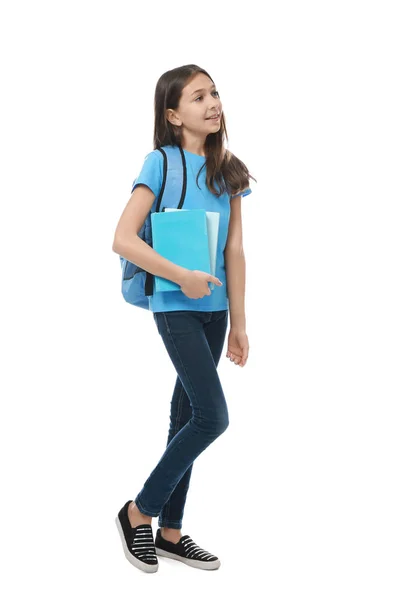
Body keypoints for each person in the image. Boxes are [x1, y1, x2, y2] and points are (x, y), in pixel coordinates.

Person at [112, 64, 256, 573]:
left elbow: (234, 250)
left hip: (216, 313)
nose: (213, 102)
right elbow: (122, 238)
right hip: (175, 306)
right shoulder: (161, 162)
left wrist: (238, 322)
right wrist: (183, 277)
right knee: (212, 417)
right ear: (174, 115)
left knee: (185, 417)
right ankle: (139, 513)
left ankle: (171, 532)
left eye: (214, 93)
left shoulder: (229, 168)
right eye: (198, 97)